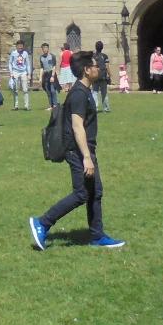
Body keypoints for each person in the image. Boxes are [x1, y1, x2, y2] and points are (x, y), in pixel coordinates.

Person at [29, 51, 125, 250]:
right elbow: (77, 126)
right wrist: (86, 157)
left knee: (95, 192)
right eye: (95, 65)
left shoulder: (83, 90)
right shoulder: (79, 93)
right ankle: (42, 222)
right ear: (86, 70)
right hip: (77, 151)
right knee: (82, 193)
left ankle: (97, 236)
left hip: (84, 150)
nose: (99, 68)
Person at [8, 41, 32, 111]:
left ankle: (26, 106)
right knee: (15, 90)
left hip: (23, 72)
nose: (20, 47)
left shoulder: (25, 53)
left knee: (25, 89)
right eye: (19, 46)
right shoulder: (13, 53)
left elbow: (28, 64)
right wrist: (11, 73)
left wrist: (29, 74)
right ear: (16, 46)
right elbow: (10, 63)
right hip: (15, 72)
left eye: (21, 46)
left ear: (23, 46)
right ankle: (16, 106)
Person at [92, 40, 111, 112]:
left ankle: (95, 108)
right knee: (104, 93)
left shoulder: (93, 56)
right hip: (103, 76)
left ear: (95, 47)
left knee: (95, 92)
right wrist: (110, 75)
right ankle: (106, 108)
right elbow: (107, 67)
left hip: (95, 76)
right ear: (102, 47)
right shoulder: (105, 56)